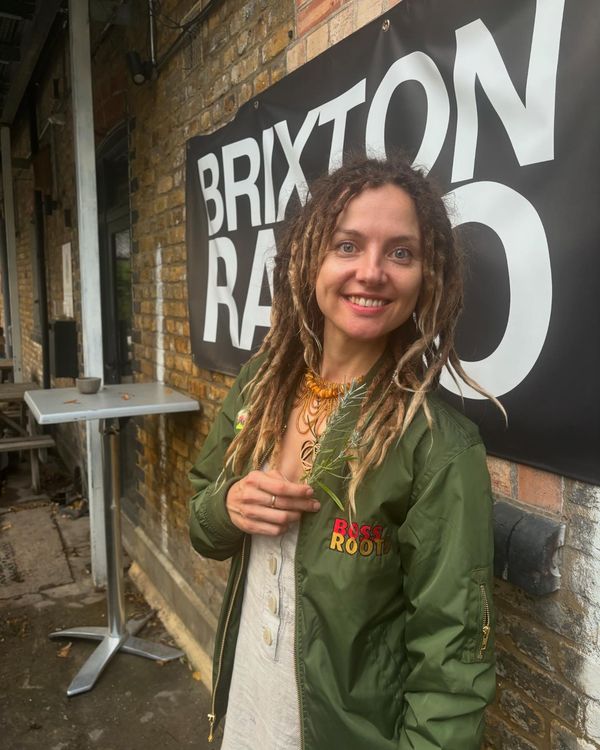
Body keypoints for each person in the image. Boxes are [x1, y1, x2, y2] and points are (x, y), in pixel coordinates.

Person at [189, 155, 497, 750]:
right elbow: (201, 523)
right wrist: (226, 508)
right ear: (311, 260)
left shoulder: (437, 446)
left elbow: (453, 665)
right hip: (248, 714)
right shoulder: (260, 386)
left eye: (401, 253)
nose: (372, 272)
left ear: (427, 276)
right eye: (347, 245)